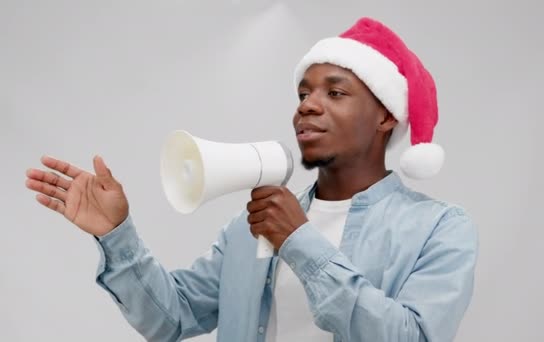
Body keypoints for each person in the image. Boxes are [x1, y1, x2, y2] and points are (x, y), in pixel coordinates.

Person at [25, 17, 478, 342]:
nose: (307, 105)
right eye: (303, 93)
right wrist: (116, 236)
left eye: (335, 92)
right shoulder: (251, 227)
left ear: (385, 116)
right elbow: (173, 319)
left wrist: (300, 242)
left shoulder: (439, 230)